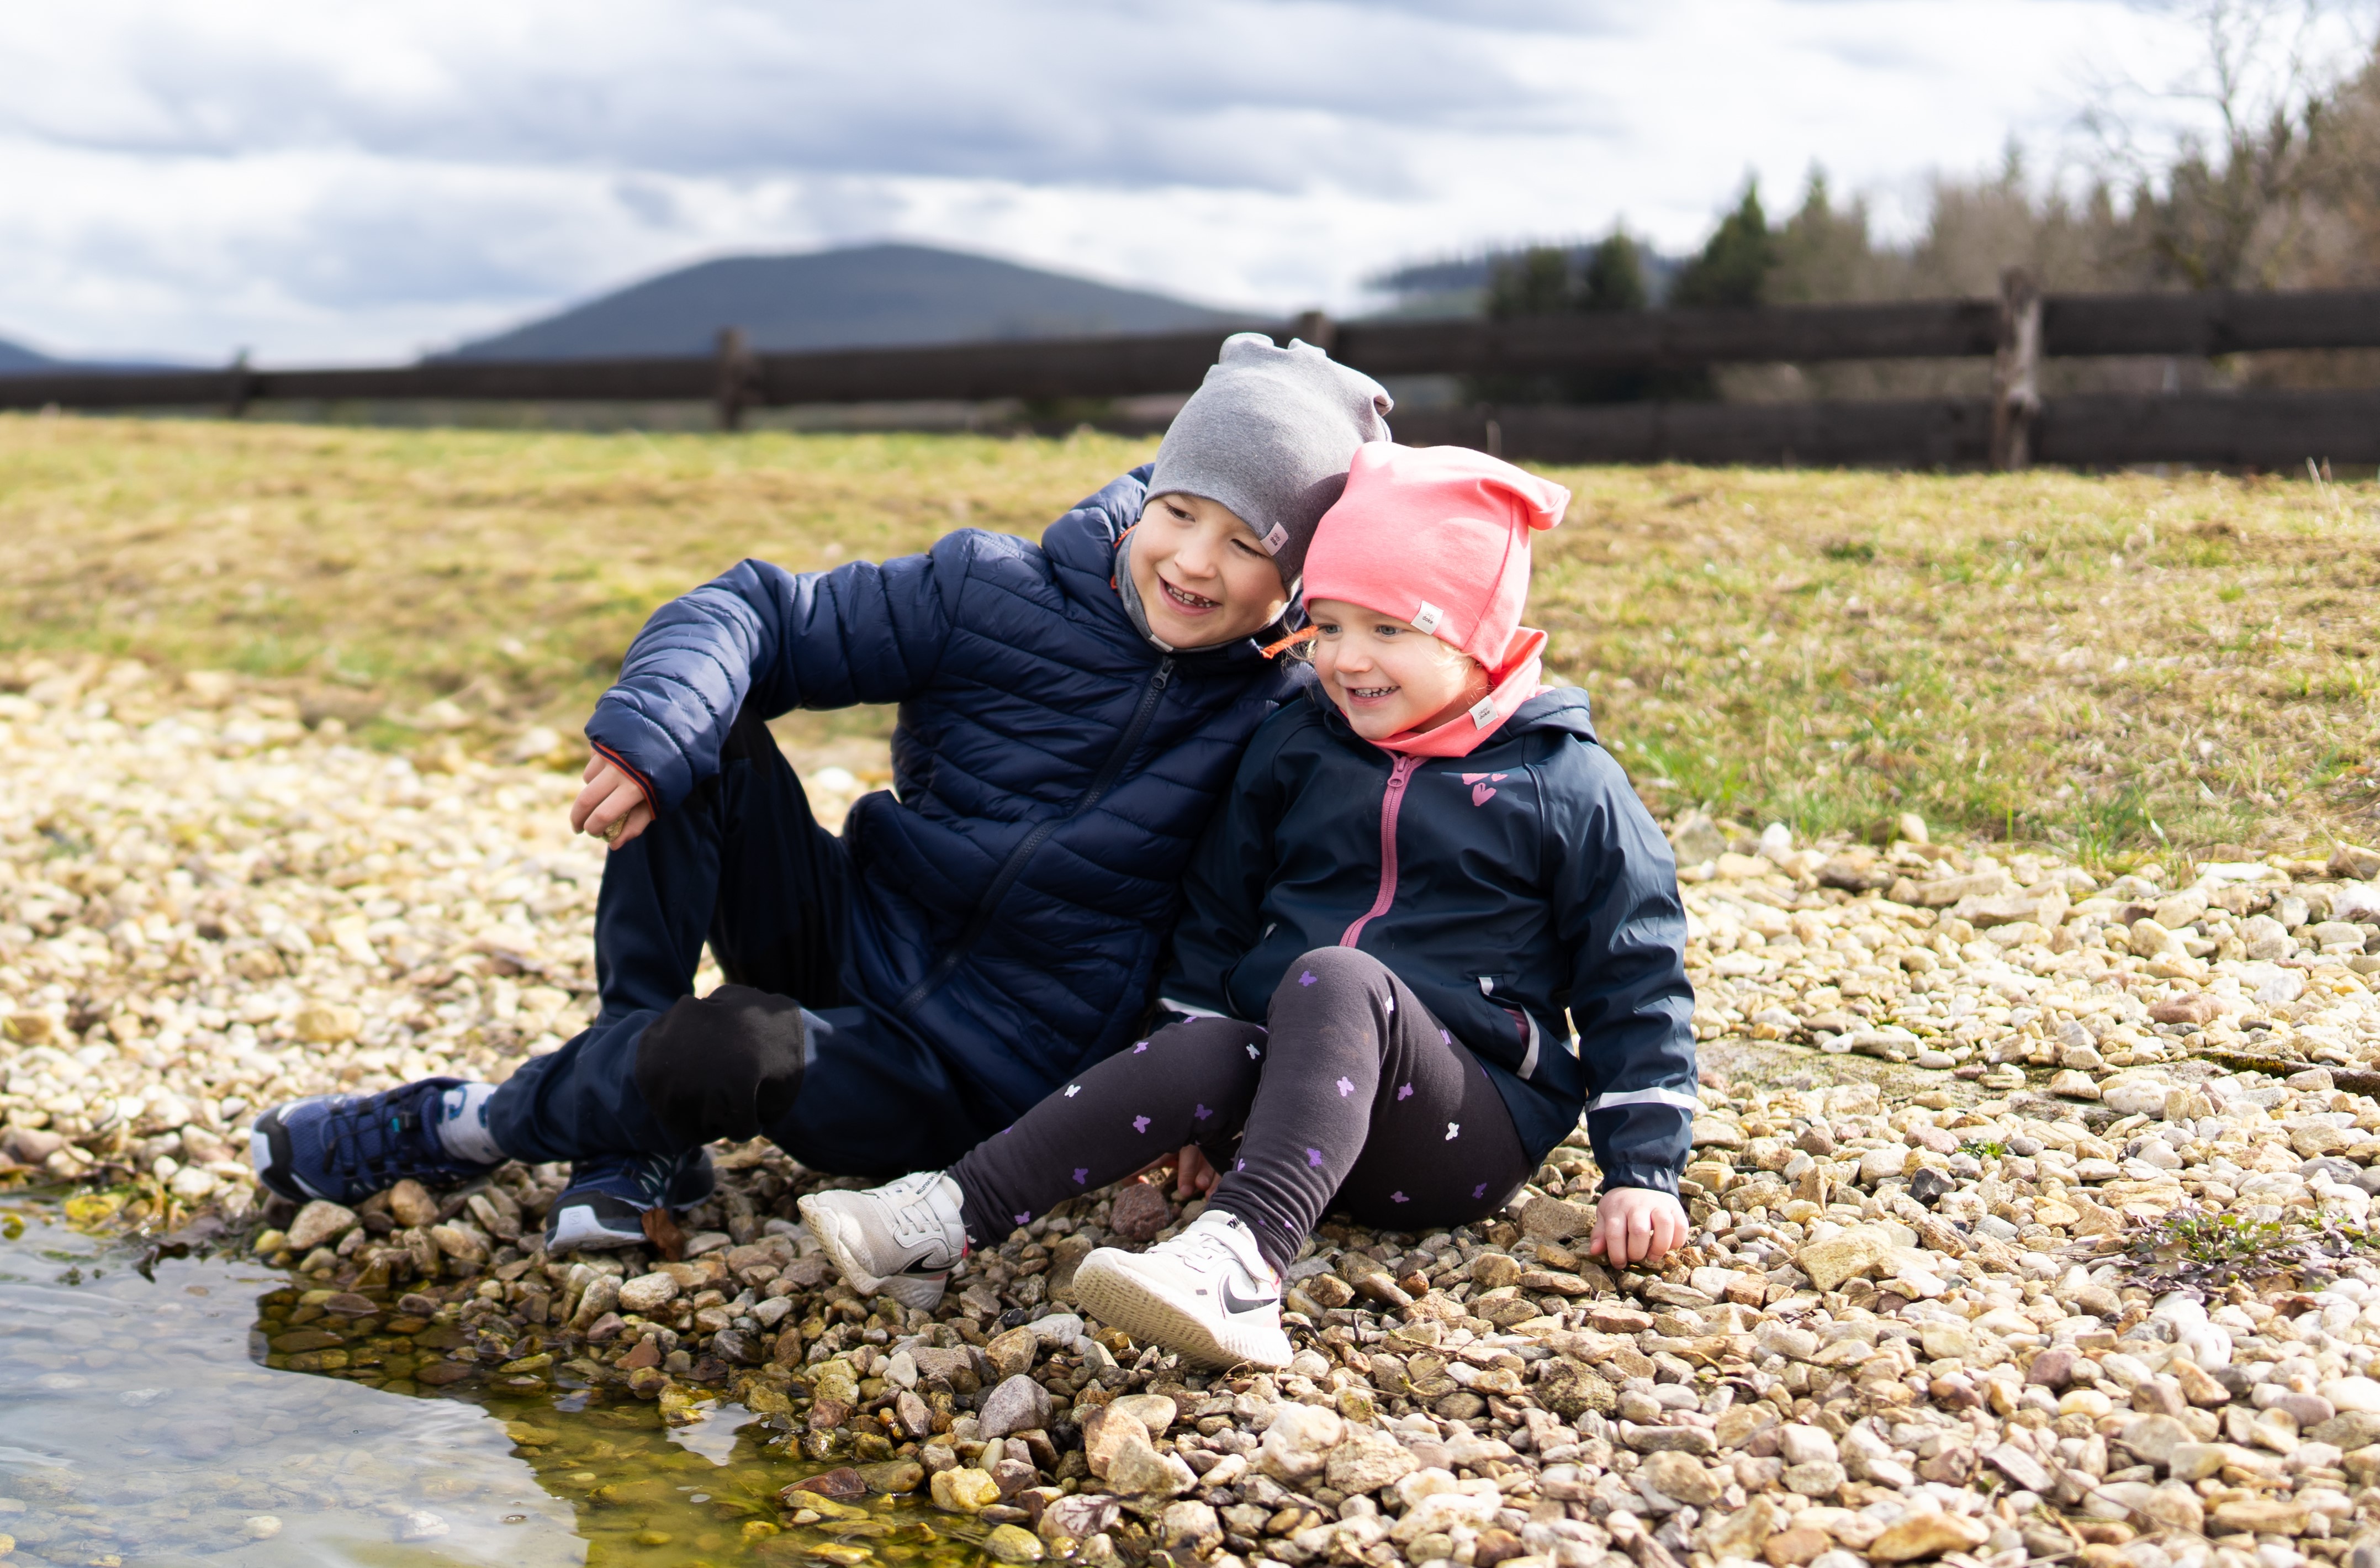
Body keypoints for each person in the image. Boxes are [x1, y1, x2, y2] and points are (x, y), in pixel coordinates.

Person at [250, 334, 1395, 1252]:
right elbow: (752, 611)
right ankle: (628, 1133)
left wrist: (1222, 1107)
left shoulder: (1280, 721)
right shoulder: (987, 590)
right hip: (845, 928)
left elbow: (1302, 914)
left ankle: (462, 1123)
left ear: (1298, 580)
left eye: (1247, 543)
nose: (1195, 561)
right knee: (711, 733)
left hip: (963, 1080)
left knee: (726, 1046)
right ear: (1146, 493)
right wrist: (653, 736)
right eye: (1182, 510)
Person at [800, 441, 1699, 1368]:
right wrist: (1197, 1112)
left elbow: (1634, 975)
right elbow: (1219, 914)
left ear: (1471, 635)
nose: (1346, 661)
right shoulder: (1300, 743)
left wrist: (1643, 1172)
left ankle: (1240, 1268)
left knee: (1340, 978)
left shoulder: (1562, 781)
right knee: (1208, 1036)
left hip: (1454, 1132)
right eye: (1330, 627)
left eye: (1387, 631)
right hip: (1290, 1099)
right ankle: (944, 1217)